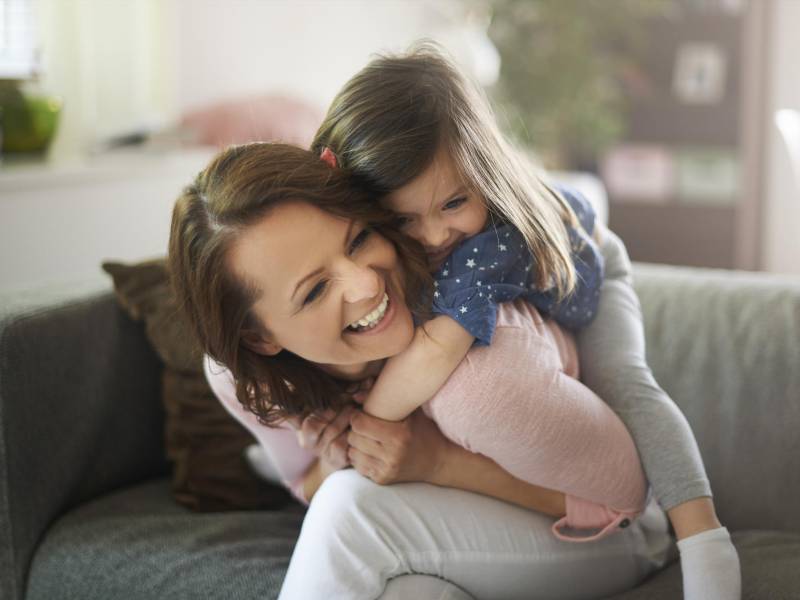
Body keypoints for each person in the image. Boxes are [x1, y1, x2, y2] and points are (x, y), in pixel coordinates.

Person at [306, 43, 741, 599]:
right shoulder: (403, 245)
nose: (434, 235)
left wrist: (363, 427)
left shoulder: (488, 243)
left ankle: (702, 536)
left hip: (591, 264)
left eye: (454, 203)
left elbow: (437, 349)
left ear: (483, 175)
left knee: (624, 382)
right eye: (403, 219)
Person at [169, 141, 675, 599]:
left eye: (358, 239)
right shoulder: (251, 379)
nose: (366, 285)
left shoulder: (477, 360)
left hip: (614, 535)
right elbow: (306, 483)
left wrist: (436, 461)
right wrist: (337, 456)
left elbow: (627, 498)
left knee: (350, 509)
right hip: (448, 543)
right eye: (315, 290)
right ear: (260, 338)